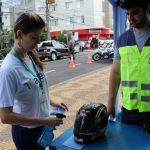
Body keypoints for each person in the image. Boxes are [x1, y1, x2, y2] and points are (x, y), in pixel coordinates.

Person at [0, 12, 68, 150]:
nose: (37, 43)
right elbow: (6, 117)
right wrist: (45, 121)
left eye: (39, 37)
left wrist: (52, 101)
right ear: (19, 34)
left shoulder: (30, 54)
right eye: (34, 38)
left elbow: (36, 86)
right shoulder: (8, 69)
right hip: (26, 134)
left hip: (41, 127)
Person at [107, 0, 150, 133]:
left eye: (135, 13)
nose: (130, 18)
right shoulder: (122, 40)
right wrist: (110, 102)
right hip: (129, 108)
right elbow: (115, 73)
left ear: (147, 9)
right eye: (127, 14)